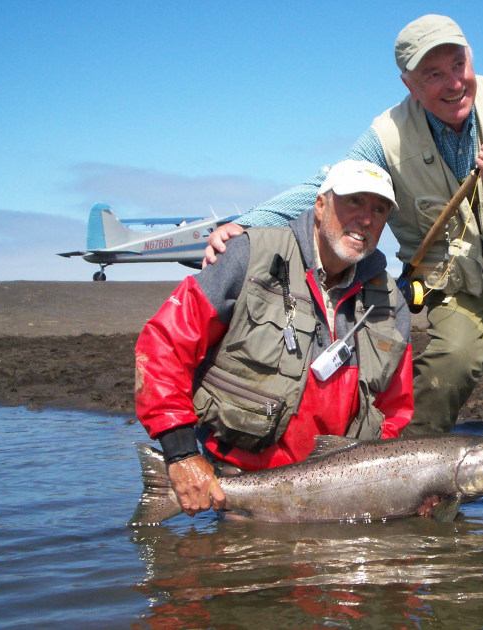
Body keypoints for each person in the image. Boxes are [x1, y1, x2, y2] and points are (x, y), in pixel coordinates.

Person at [204, 15, 483, 472]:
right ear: (409, 84)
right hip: (455, 275)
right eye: (433, 75)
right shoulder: (386, 135)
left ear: (471, 58)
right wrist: (247, 224)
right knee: (451, 361)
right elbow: (327, 185)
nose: (454, 83)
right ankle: (405, 473)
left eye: (459, 65)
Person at [135, 159, 414, 517]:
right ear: (320, 205)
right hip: (241, 488)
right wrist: (180, 453)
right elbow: (163, 346)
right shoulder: (250, 254)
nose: (366, 219)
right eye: (354, 202)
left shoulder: (390, 301)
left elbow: (395, 409)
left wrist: (393, 485)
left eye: (379, 210)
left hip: (341, 497)